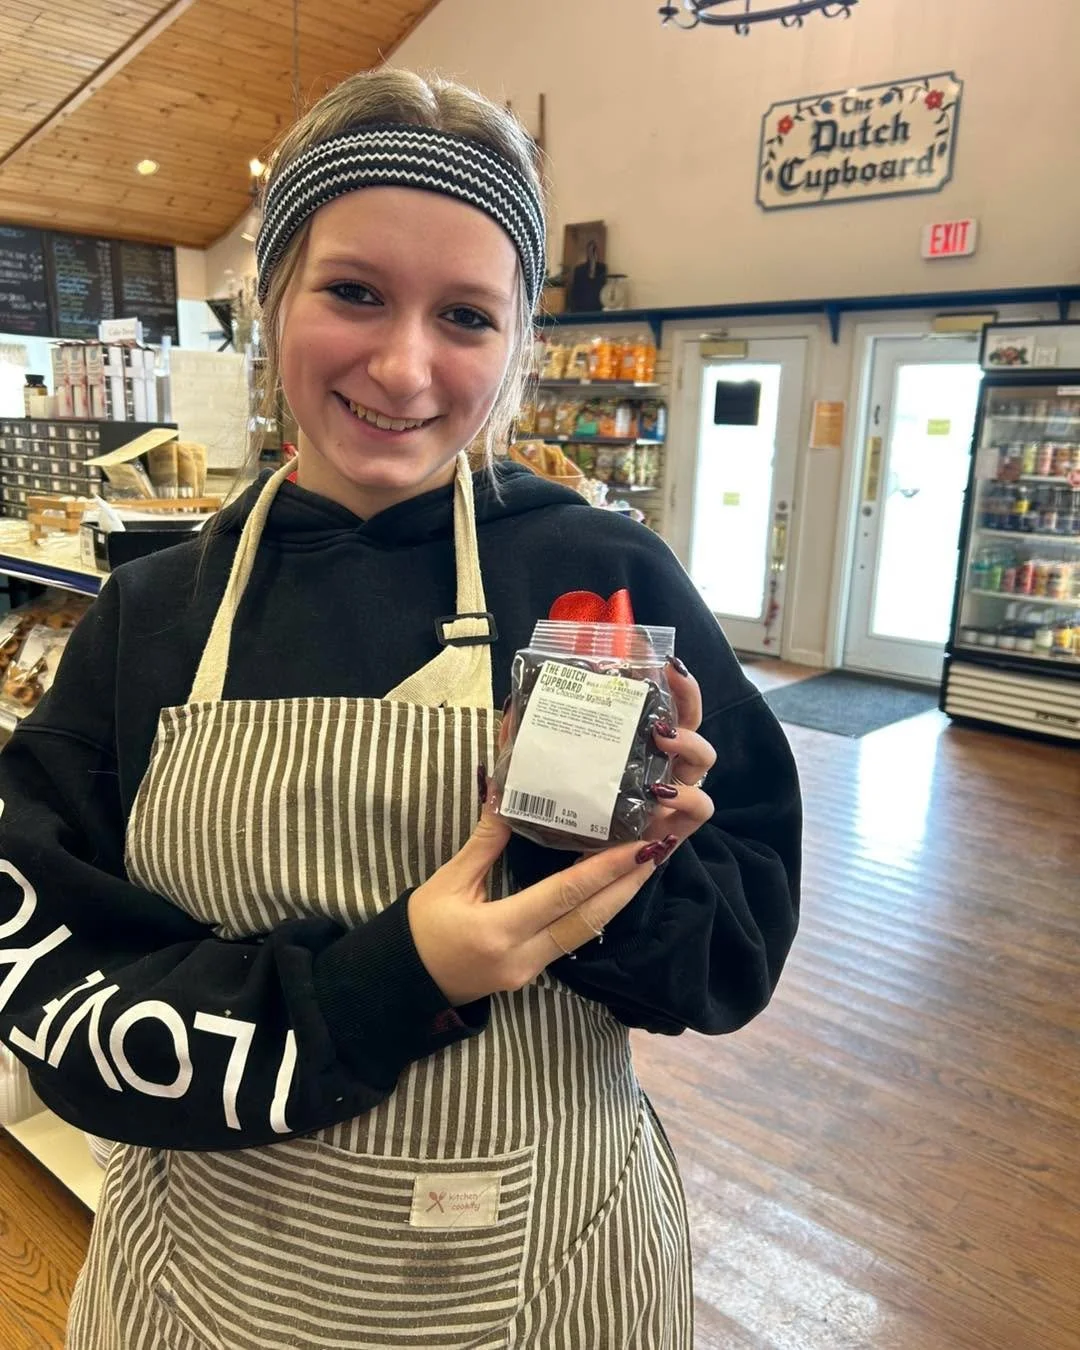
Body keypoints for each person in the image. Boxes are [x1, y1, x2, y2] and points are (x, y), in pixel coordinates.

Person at [0, 69, 801, 1349]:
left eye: (468, 315)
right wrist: (396, 979)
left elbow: (732, 962)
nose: (405, 365)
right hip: (208, 1283)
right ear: (272, 302)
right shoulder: (156, 616)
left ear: (520, 344)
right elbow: (48, 983)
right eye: (355, 292)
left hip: (549, 1275)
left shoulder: (600, 582)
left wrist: (630, 863)